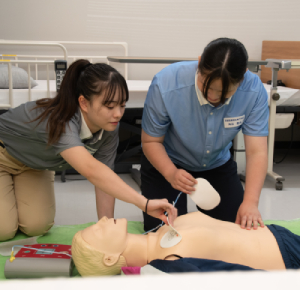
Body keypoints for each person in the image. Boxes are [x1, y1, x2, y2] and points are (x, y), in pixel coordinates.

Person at [0, 59, 177, 242]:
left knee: (37, 226)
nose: (118, 114)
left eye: (122, 105)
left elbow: (104, 177)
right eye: (109, 106)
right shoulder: (62, 122)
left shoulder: (109, 127)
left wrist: (106, 228)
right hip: (3, 156)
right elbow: (92, 171)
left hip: (35, 165)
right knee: (4, 230)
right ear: (84, 103)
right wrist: (144, 203)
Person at [141, 38, 269, 231]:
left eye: (224, 92)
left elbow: (256, 152)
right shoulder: (166, 83)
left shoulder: (253, 90)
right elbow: (151, 141)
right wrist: (170, 173)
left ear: (242, 78)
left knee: (236, 230)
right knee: (165, 233)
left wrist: (251, 202)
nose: (213, 97)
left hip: (216, 163)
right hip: (168, 161)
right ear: (199, 63)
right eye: (206, 86)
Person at [71, 211, 300, 276]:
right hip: (289, 259)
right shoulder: (171, 265)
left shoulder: (165, 228)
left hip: (277, 234)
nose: (101, 220)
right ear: (109, 257)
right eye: (98, 229)